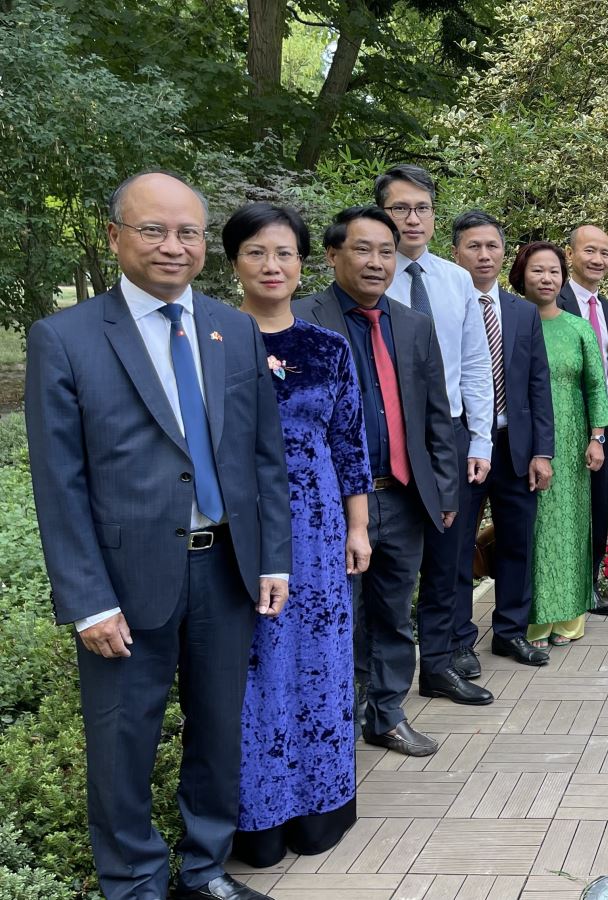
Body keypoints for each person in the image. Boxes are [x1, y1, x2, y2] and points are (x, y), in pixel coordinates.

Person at [26, 172, 291, 900]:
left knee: (217, 732)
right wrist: (87, 600)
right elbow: (59, 483)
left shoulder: (232, 327)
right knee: (122, 743)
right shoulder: (66, 339)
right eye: (153, 230)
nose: (173, 247)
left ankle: (204, 870)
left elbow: (261, 456)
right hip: (123, 581)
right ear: (115, 237)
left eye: (187, 233)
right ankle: (135, 881)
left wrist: (276, 559)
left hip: (226, 571)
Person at [222, 203, 372, 867]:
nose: (271, 265)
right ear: (234, 263)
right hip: (240, 528)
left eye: (283, 253)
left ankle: (321, 808)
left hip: (318, 532)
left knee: (321, 662)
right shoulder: (212, 343)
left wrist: (359, 524)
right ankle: (257, 820)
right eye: (257, 252)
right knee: (254, 671)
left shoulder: (327, 347)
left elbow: (350, 442)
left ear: (303, 262)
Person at [293, 206, 458, 758]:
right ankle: (332, 722)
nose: (376, 262)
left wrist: (444, 490)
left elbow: (437, 415)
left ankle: (385, 716)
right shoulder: (299, 320)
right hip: (332, 504)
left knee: (392, 614)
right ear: (332, 254)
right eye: (362, 249)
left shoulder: (413, 325)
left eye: (386, 251)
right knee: (336, 617)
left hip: (404, 498)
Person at [376, 164, 496, 705]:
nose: (412, 219)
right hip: (386, 433)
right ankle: (376, 683)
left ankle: (442, 662)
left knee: (449, 557)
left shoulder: (454, 280)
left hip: (447, 431)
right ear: (383, 214)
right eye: (400, 208)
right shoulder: (370, 276)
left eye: (422, 207)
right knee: (391, 561)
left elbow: (474, 365)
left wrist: (480, 441)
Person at [450, 211, 556, 667]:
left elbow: (538, 384)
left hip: (514, 445)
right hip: (460, 447)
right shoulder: (444, 305)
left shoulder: (521, 312)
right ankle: (457, 639)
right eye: (474, 246)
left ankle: (509, 631)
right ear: (455, 252)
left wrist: (542, 451)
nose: (484, 255)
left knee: (516, 541)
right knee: (456, 547)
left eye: (492, 246)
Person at [515, 241, 608, 646]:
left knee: (571, 526)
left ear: (563, 275)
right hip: (525, 438)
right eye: (538, 271)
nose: (547, 278)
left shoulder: (577, 328)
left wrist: (597, 438)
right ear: (522, 274)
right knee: (532, 528)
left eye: (553, 271)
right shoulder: (513, 324)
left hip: (573, 440)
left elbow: (596, 386)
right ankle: (534, 620)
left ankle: (570, 617)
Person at [558, 224, 608, 616]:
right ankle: (559, 590)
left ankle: (590, 588)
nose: (598, 260)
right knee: (563, 509)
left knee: (597, 508)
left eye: (605, 253)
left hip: (603, 422)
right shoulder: (550, 303)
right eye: (589, 251)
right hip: (565, 420)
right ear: (570, 255)